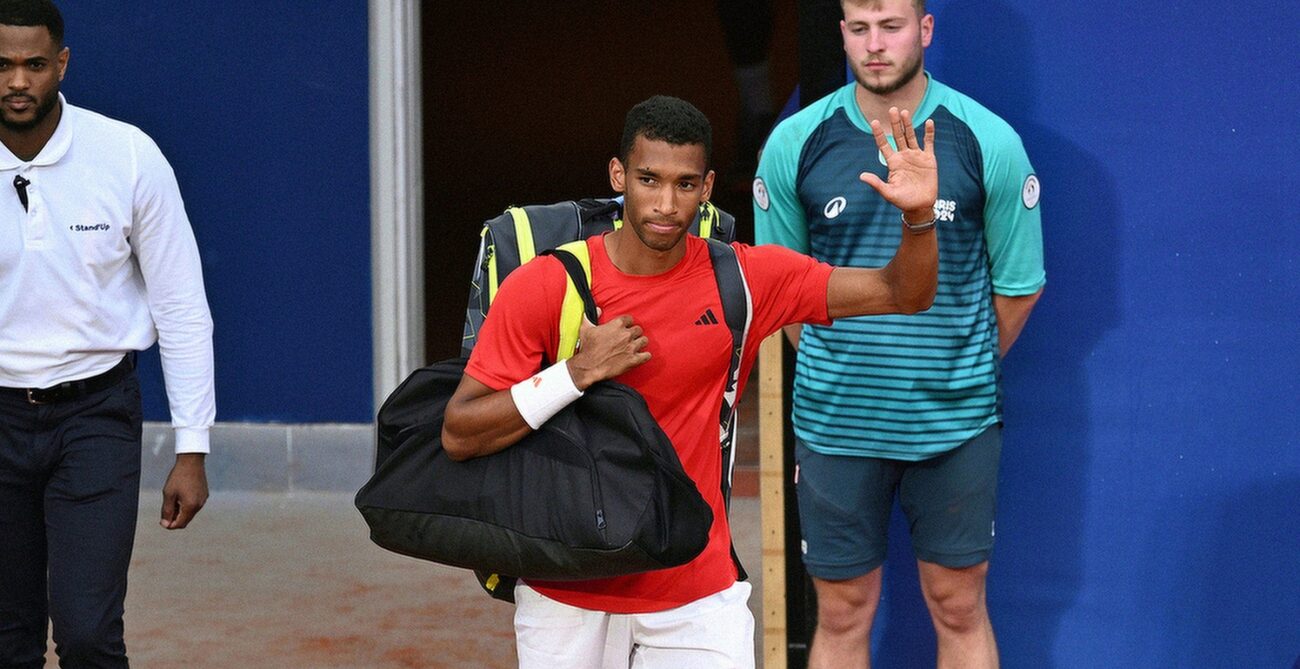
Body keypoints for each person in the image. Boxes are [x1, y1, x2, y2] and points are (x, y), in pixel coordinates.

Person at [442, 93, 939, 668]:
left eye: (684, 185)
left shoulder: (748, 280)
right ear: (618, 175)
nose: (664, 203)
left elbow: (905, 292)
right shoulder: (544, 286)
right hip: (566, 593)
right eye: (648, 179)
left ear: (706, 188)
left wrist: (918, 217)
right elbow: (461, 431)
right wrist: (576, 374)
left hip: (698, 593)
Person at [753, 0, 1046, 667]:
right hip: (835, 425)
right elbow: (784, 291)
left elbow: (1020, 285)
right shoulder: (796, 144)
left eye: (891, 26)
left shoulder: (987, 140)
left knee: (959, 603)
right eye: (859, 28)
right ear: (842, 35)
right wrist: (852, 369)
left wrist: (953, 366)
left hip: (957, 426)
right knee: (843, 610)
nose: (875, 44)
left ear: (926, 29)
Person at [0, 1, 215, 666]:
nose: (17, 80)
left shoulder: (125, 155)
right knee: (7, 639)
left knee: (89, 630)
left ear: (60, 65)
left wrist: (192, 445)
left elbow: (181, 304)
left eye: (34, 64)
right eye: (2, 65)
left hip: (96, 414)